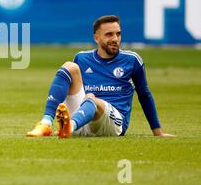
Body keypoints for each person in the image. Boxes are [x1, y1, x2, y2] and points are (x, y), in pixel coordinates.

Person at [27, 15, 175, 139]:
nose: (115, 38)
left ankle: (68, 126)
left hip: (114, 124)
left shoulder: (132, 60)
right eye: (109, 34)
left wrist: (158, 131)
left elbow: (144, 94)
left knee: (91, 98)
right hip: (83, 118)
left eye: (118, 34)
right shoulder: (82, 58)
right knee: (69, 67)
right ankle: (46, 123)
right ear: (97, 38)